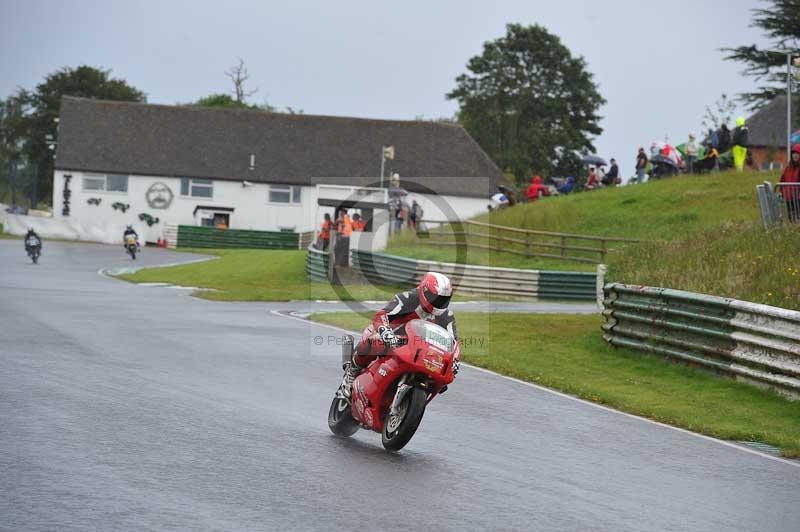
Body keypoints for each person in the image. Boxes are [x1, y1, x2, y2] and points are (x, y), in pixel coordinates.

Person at [339, 272, 458, 398]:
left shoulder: (446, 316)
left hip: (420, 350)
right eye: (435, 297)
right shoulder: (408, 298)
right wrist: (386, 333)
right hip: (393, 337)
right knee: (375, 341)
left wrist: (454, 361)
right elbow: (382, 315)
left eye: (443, 299)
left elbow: (453, 343)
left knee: (440, 382)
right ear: (424, 291)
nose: (438, 302)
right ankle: (352, 372)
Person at [779, 144, 800, 223]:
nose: (795, 155)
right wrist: (781, 192)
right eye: (794, 153)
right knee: (791, 218)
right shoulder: (788, 168)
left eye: (797, 153)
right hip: (788, 198)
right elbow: (782, 180)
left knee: (798, 217)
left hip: (798, 198)